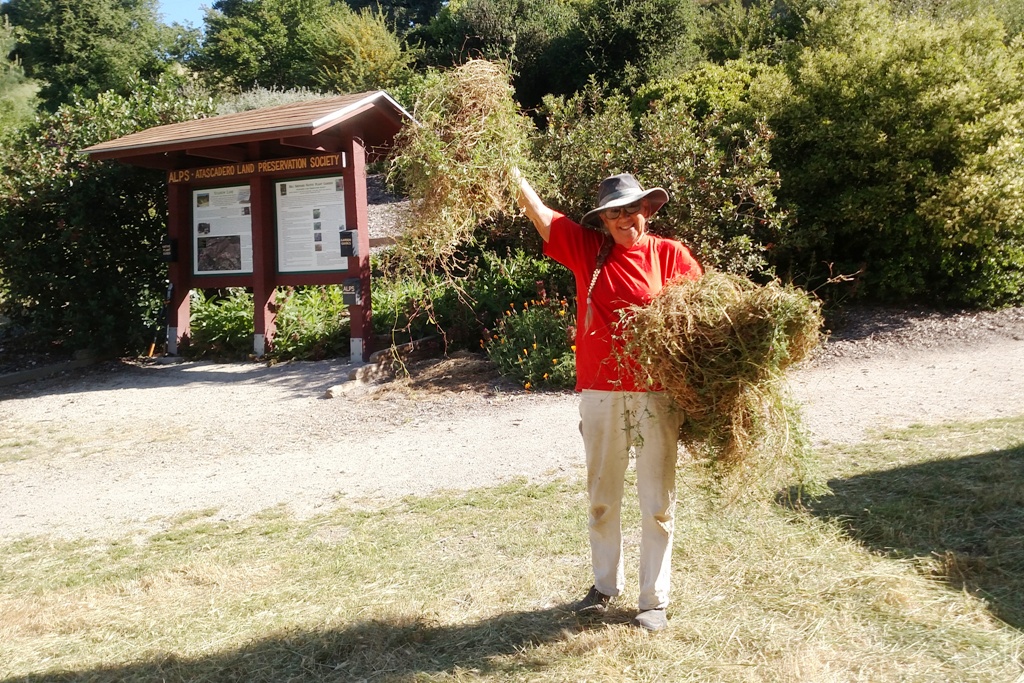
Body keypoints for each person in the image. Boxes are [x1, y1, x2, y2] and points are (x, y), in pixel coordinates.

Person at [514, 170, 702, 632]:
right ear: (602, 221)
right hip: (600, 391)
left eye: (630, 209)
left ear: (647, 211)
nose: (623, 219)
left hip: (657, 393)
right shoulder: (587, 252)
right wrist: (509, 170)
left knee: (657, 499)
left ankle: (653, 600)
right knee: (603, 497)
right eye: (613, 213)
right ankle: (603, 588)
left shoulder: (670, 256)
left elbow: (703, 317)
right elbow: (540, 215)